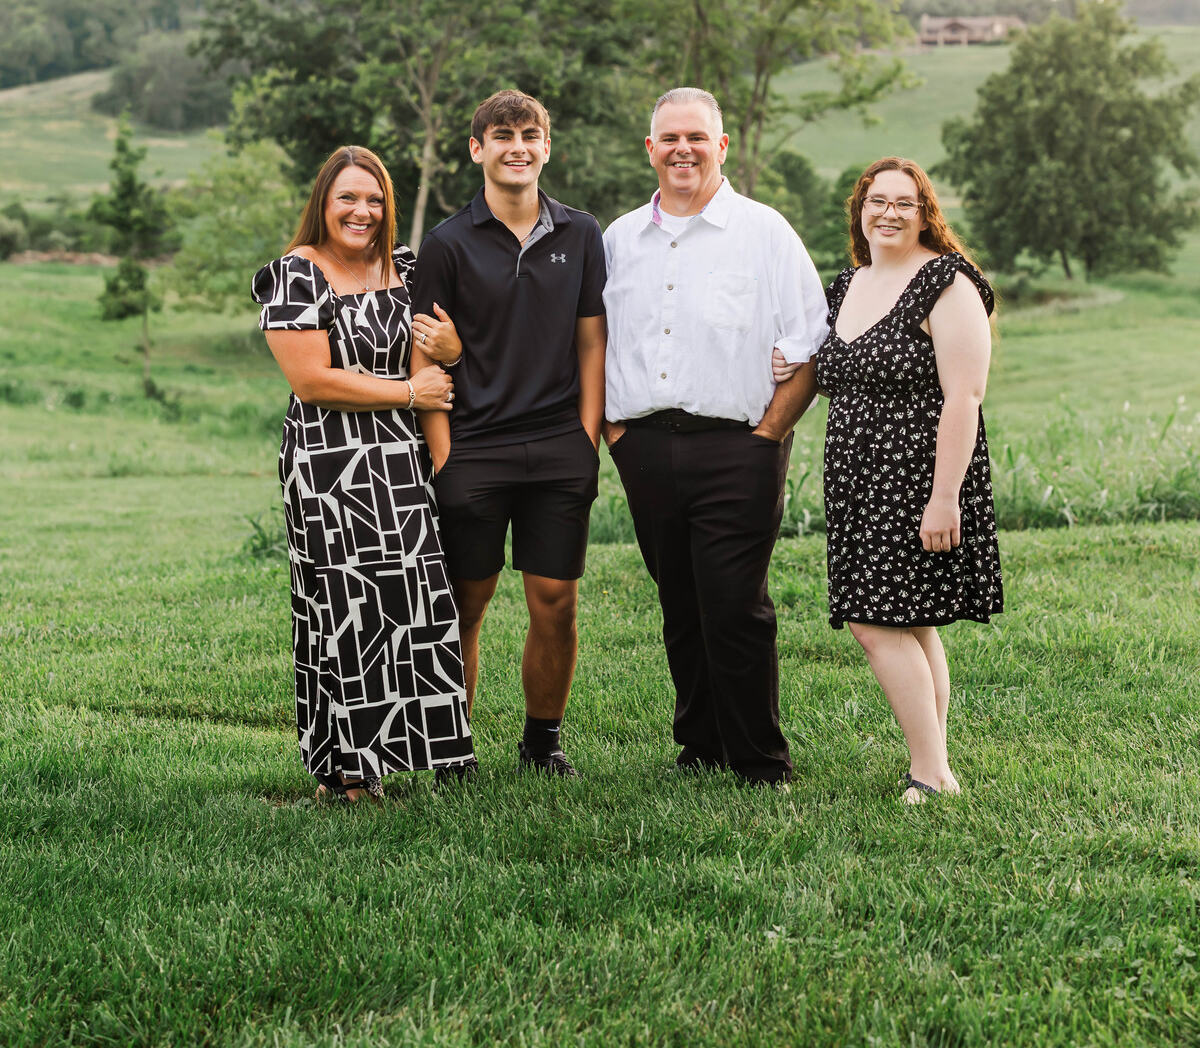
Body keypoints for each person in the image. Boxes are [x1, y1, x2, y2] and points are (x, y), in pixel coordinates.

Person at [603, 87, 828, 787]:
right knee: (679, 600)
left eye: (697, 137)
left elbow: (811, 343)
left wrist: (768, 434)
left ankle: (760, 760)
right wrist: (615, 432)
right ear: (650, 149)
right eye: (669, 138)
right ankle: (698, 746)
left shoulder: (764, 233)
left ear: (721, 146)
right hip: (643, 446)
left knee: (735, 603)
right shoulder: (617, 241)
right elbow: (595, 341)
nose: (683, 149)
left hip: (740, 446)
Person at [251, 146, 475, 802]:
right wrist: (410, 396)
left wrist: (448, 372)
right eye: (348, 197)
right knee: (343, 609)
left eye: (374, 199)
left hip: (400, 465)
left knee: (410, 605)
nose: (362, 211)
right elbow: (312, 380)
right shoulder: (293, 275)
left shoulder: (406, 266)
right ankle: (346, 768)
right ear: (323, 202)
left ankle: (411, 752)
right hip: (328, 466)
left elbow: (434, 358)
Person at [409, 91, 607, 777]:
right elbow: (424, 357)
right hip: (474, 450)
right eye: (502, 135)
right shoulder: (445, 244)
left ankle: (541, 742)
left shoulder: (581, 234)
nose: (517, 146)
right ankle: (451, 748)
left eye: (530, 134)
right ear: (477, 149)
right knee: (467, 601)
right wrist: (444, 456)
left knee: (555, 602)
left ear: (547, 147)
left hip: (558, 447)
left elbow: (592, 343)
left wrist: (585, 441)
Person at [814, 156, 1003, 804]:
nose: (889, 212)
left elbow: (965, 397)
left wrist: (944, 497)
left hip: (918, 480)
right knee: (912, 622)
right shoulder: (846, 284)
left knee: (875, 624)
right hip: (856, 485)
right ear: (860, 207)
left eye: (905, 203)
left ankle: (929, 770)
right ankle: (936, 762)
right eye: (877, 200)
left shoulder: (946, 282)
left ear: (926, 214)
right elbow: (830, 372)